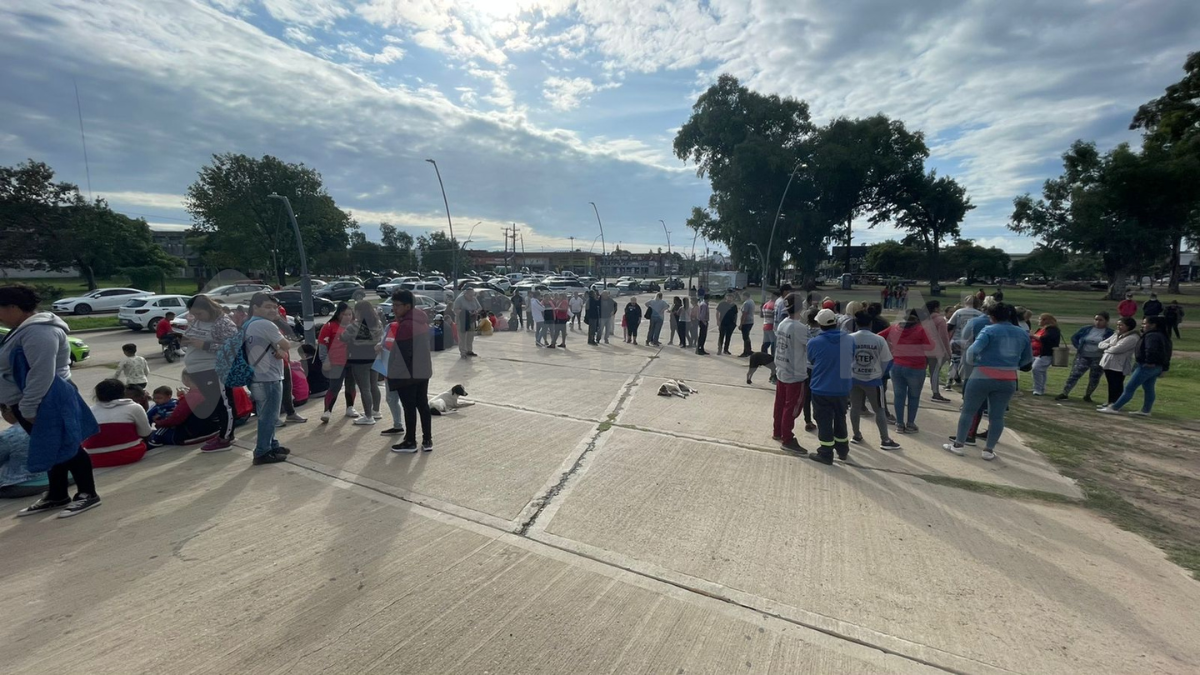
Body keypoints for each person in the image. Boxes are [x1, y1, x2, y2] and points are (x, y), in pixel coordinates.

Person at [0, 285, 101, 517]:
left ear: (13, 307)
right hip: (30, 401)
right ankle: (57, 494)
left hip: (46, 400)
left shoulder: (39, 331)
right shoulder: (21, 329)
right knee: (51, 448)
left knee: (68, 447)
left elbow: (41, 373)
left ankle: (88, 493)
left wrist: (27, 407)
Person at [944, 302, 1033, 460]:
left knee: (968, 411)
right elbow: (1027, 360)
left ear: (992, 316)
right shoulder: (1022, 333)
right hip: (1008, 378)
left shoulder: (989, 329)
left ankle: (959, 444)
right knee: (997, 416)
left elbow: (972, 350)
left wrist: (973, 364)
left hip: (982, 374)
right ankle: (988, 450)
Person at [181, 294, 241, 451]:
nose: (197, 317)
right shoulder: (197, 321)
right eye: (194, 314)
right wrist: (183, 339)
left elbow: (234, 347)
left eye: (200, 313)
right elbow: (191, 335)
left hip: (214, 369)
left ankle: (226, 438)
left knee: (223, 403)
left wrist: (206, 345)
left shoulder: (223, 322)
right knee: (214, 404)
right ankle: (224, 432)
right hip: (197, 369)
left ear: (209, 309)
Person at [243, 293, 292, 465]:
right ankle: (263, 451)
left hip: (256, 376)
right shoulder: (265, 324)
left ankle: (271, 445)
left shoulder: (248, 324)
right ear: (255, 307)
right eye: (268, 307)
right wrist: (278, 322)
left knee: (267, 414)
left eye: (274, 307)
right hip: (268, 377)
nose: (272, 310)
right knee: (269, 416)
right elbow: (287, 344)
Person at [385, 290, 434, 452]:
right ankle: (427, 440)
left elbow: (402, 354)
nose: (394, 308)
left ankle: (410, 441)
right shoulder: (420, 320)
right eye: (393, 305)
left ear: (408, 306)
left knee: (409, 407)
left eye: (397, 305)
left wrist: (392, 374)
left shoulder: (407, 325)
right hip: (422, 371)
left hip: (408, 374)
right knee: (422, 405)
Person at [807, 309, 855, 465]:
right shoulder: (849, 340)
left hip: (821, 388)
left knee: (824, 420)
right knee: (840, 418)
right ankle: (842, 449)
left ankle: (826, 453)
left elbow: (812, 360)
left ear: (820, 324)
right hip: (842, 388)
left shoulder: (814, 342)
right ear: (836, 322)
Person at [1098, 315, 1172, 417]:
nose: (1143, 325)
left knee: (1129, 387)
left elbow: (1151, 350)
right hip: (1157, 367)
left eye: (1145, 323)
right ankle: (1146, 410)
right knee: (1149, 388)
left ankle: (1115, 407)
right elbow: (1168, 353)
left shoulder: (1151, 336)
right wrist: (1165, 367)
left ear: (1153, 325)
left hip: (1147, 366)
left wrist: (1149, 362)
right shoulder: (1163, 335)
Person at [849, 312, 899, 450]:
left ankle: (856, 435)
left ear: (856, 324)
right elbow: (886, 360)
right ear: (870, 324)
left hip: (854, 378)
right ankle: (885, 439)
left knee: (855, 407)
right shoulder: (878, 340)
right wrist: (880, 374)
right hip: (873, 380)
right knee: (880, 410)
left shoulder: (849, 338)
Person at [880, 309, 933, 434]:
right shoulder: (921, 330)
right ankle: (910, 424)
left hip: (897, 365)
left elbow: (879, 336)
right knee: (914, 397)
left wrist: (890, 347)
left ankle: (899, 424)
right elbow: (931, 347)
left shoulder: (894, 328)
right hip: (916, 367)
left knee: (899, 396)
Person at [81, 378, 153, 468]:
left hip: (95, 459)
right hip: (131, 454)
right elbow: (145, 433)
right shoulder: (134, 407)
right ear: (123, 392)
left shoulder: (90, 411)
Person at [772, 293, 809, 453]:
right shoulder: (799, 327)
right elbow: (810, 346)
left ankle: (777, 431)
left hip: (782, 368)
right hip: (794, 373)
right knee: (792, 407)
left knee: (780, 404)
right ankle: (787, 438)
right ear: (801, 307)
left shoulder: (783, 323)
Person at [147, 373, 222, 447]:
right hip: (215, 429)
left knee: (154, 435)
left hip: (194, 435)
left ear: (186, 379)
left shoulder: (190, 397)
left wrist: (159, 422)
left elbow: (174, 420)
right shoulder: (210, 390)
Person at [1056, 311, 1112, 402]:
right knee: (1075, 374)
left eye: (1101, 320)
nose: (1098, 322)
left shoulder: (1109, 333)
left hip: (1098, 357)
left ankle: (1088, 395)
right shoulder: (1086, 329)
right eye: (1096, 319)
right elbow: (1074, 337)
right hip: (1083, 355)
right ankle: (1065, 393)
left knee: (1094, 377)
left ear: (1106, 321)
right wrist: (1078, 347)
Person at [343, 300, 384, 426]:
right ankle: (376, 411)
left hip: (359, 359)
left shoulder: (354, 326)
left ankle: (368, 416)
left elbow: (344, 338)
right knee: (374, 386)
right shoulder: (378, 324)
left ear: (359, 312)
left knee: (364, 388)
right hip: (374, 357)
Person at [318, 303, 360, 422]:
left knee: (351, 385)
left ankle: (350, 407)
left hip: (353, 362)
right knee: (334, 386)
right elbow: (322, 345)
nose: (347, 317)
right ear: (338, 314)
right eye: (344, 314)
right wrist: (324, 360)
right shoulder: (329, 326)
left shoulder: (355, 326)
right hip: (336, 362)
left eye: (349, 314)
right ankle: (327, 410)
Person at [1096, 317, 1139, 408]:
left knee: (1117, 384)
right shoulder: (1116, 334)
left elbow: (1117, 349)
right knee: (1110, 383)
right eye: (1118, 325)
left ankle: (1116, 403)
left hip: (1119, 364)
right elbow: (1101, 344)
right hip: (1108, 362)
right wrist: (1109, 346)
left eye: (1121, 325)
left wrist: (1108, 348)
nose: (1118, 327)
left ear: (1128, 326)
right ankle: (1110, 401)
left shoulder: (1132, 337)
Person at [945, 295, 983, 391]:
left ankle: (949, 382)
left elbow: (949, 326)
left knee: (954, 362)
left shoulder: (959, 312)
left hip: (957, 339)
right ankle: (967, 383)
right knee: (969, 363)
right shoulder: (979, 314)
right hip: (971, 341)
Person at [0, 425, 48, 499]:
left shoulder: (8, 436)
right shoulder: (47, 424)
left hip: (25, 485)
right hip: (65, 477)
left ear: (10, 414)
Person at [924, 300, 952, 402]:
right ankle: (935, 393)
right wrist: (948, 352)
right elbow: (944, 337)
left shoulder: (924, 319)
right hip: (936, 350)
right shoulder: (940, 320)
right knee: (935, 372)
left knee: (922, 371)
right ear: (936, 308)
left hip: (923, 348)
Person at [1030, 314, 1062, 396]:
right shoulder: (1042, 329)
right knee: (1041, 371)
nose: (1039, 321)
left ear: (1046, 320)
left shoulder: (1052, 329)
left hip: (1045, 354)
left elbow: (1046, 339)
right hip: (1037, 353)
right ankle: (1040, 388)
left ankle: (1038, 389)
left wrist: (1033, 335)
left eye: (1040, 319)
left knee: (1036, 369)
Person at [453, 287, 483, 358]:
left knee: (470, 336)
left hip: (471, 320)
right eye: (470, 295)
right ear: (465, 294)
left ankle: (469, 350)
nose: (472, 297)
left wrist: (476, 311)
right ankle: (463, 352)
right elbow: (455, 310)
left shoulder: (474, 299)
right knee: (462, 337)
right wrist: (466, 312)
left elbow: (480, 308)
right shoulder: (459, 300)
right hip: (462, 320)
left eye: (473, 295)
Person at [737, 292, 755, 357]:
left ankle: (746, 351)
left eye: (742, 296)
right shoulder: (752, 301)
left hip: (746, 322)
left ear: (745, 296)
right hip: (751, 321)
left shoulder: (746, 303)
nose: (742, 297)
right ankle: (749, 350)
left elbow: (744, 314)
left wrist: (741, 324)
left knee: (745, 337)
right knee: (747, 336)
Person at [761, 291, 778, 356]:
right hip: (771, 326)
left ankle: (763, 355)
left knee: (766, 342)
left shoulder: (765, 304)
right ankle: (773, 356)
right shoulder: (774, 305)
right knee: (773, 342)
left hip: (765, 324)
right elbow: (775, 316)